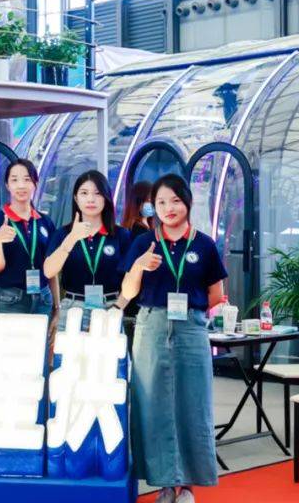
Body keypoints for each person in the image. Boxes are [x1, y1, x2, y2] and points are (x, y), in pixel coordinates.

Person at [117, 173, 227, 503]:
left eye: (175, 201)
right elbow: (127, 293)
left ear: (187, 203)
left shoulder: (204, 244)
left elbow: (216, 294)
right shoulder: (143, 243)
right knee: (152, 403)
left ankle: (188, 486)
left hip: (191, 328)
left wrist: (193, 315)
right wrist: (139, 267)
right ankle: (164, 485)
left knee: (194, 402)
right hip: (151, 325)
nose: (169, 208)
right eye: (161, 202)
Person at [43, 170, 131, 328]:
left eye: (97, 193)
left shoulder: (120, 235)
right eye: (84, 193)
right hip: (73, 308)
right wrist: (72, 238)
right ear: (76, 198)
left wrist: (118, 307)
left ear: (106, 198)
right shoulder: (63, 234)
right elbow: (49, 271)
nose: (91, 199)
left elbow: (132, 277)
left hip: (109, 307)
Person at [0, 158, 55, 315]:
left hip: (43, 298)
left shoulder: (45, 222)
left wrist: (56, 306)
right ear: (7, 185)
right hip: (11, 298)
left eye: (27, 179)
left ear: (35, 183)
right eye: (15, 180)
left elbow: (51, 268)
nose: (21, 185)